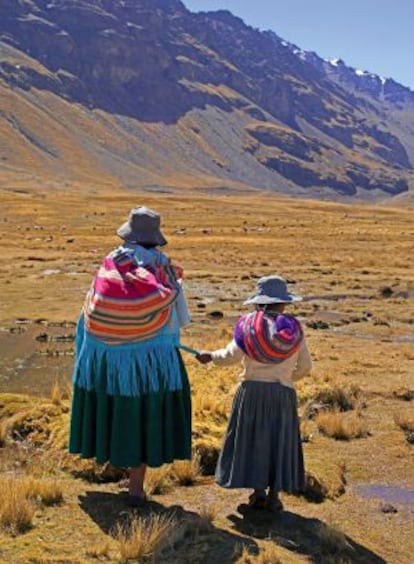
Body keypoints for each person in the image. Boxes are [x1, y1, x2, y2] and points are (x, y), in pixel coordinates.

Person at [69, 206, 192, 506]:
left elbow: (90, 307)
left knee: (115, 407)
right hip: (154, 359)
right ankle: (136, 487)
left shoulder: (111, 262)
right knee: (145, 413)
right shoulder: (164, 271)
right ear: (155, 237)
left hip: (105, 357)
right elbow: (182, 320)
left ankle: (114, 465)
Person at [196, 275, 312, 512]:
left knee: (255, 442)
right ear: (284, 303)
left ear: (259, 302)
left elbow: (230, 356)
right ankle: (274, 496)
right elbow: (306, 367)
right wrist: (287, 379)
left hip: (251, 393)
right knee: (277, 442)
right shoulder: (293, 330)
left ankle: (257, 493)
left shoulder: (248, 325)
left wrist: (210, 356)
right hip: (282, 394)